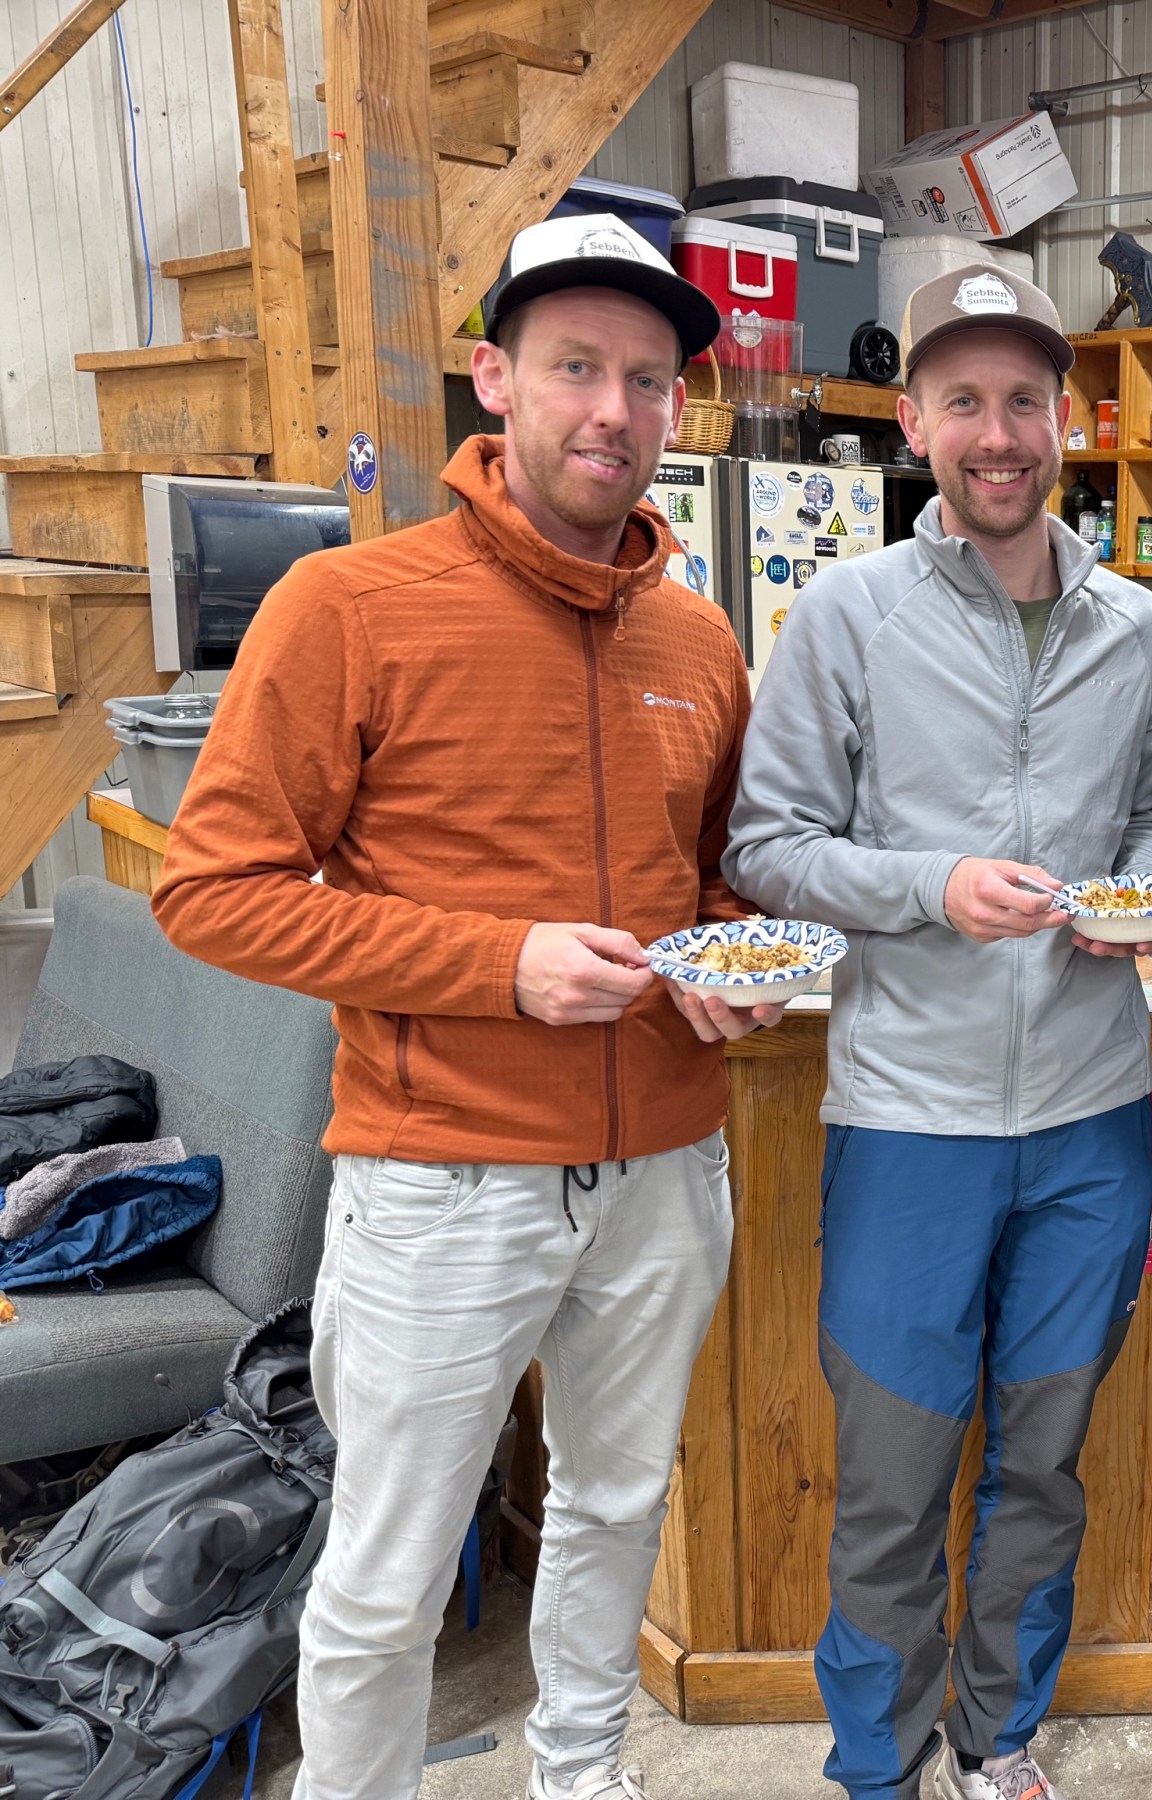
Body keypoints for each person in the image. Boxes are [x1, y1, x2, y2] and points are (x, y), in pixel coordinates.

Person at [152, 215, 772, 1800]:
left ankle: (583, 1777)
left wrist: (729, 970)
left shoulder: (702, 639)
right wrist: (500, 967)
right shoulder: (348, 609)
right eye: (575, 367)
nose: (612, 411)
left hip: (667, 1177)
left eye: (648, 380)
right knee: (387, 1570)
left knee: (616, 1510)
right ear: (495, 377)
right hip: (444, 1181)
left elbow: (711, 879)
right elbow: (212, 889)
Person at [721, 264, 1152, 1800]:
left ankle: (999, 1739)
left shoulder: (1139, 624)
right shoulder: (846, 612)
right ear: (913, 420)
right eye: (966, 401)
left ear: (1067, 419)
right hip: (908, 1117)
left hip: (1093, 1112)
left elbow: (1151, 824)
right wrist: (931, 887)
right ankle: (880, 1762)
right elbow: (769, 844)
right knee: (894, 1481)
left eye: (1027, 401)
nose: (1000, 434)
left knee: (1041, 1469)